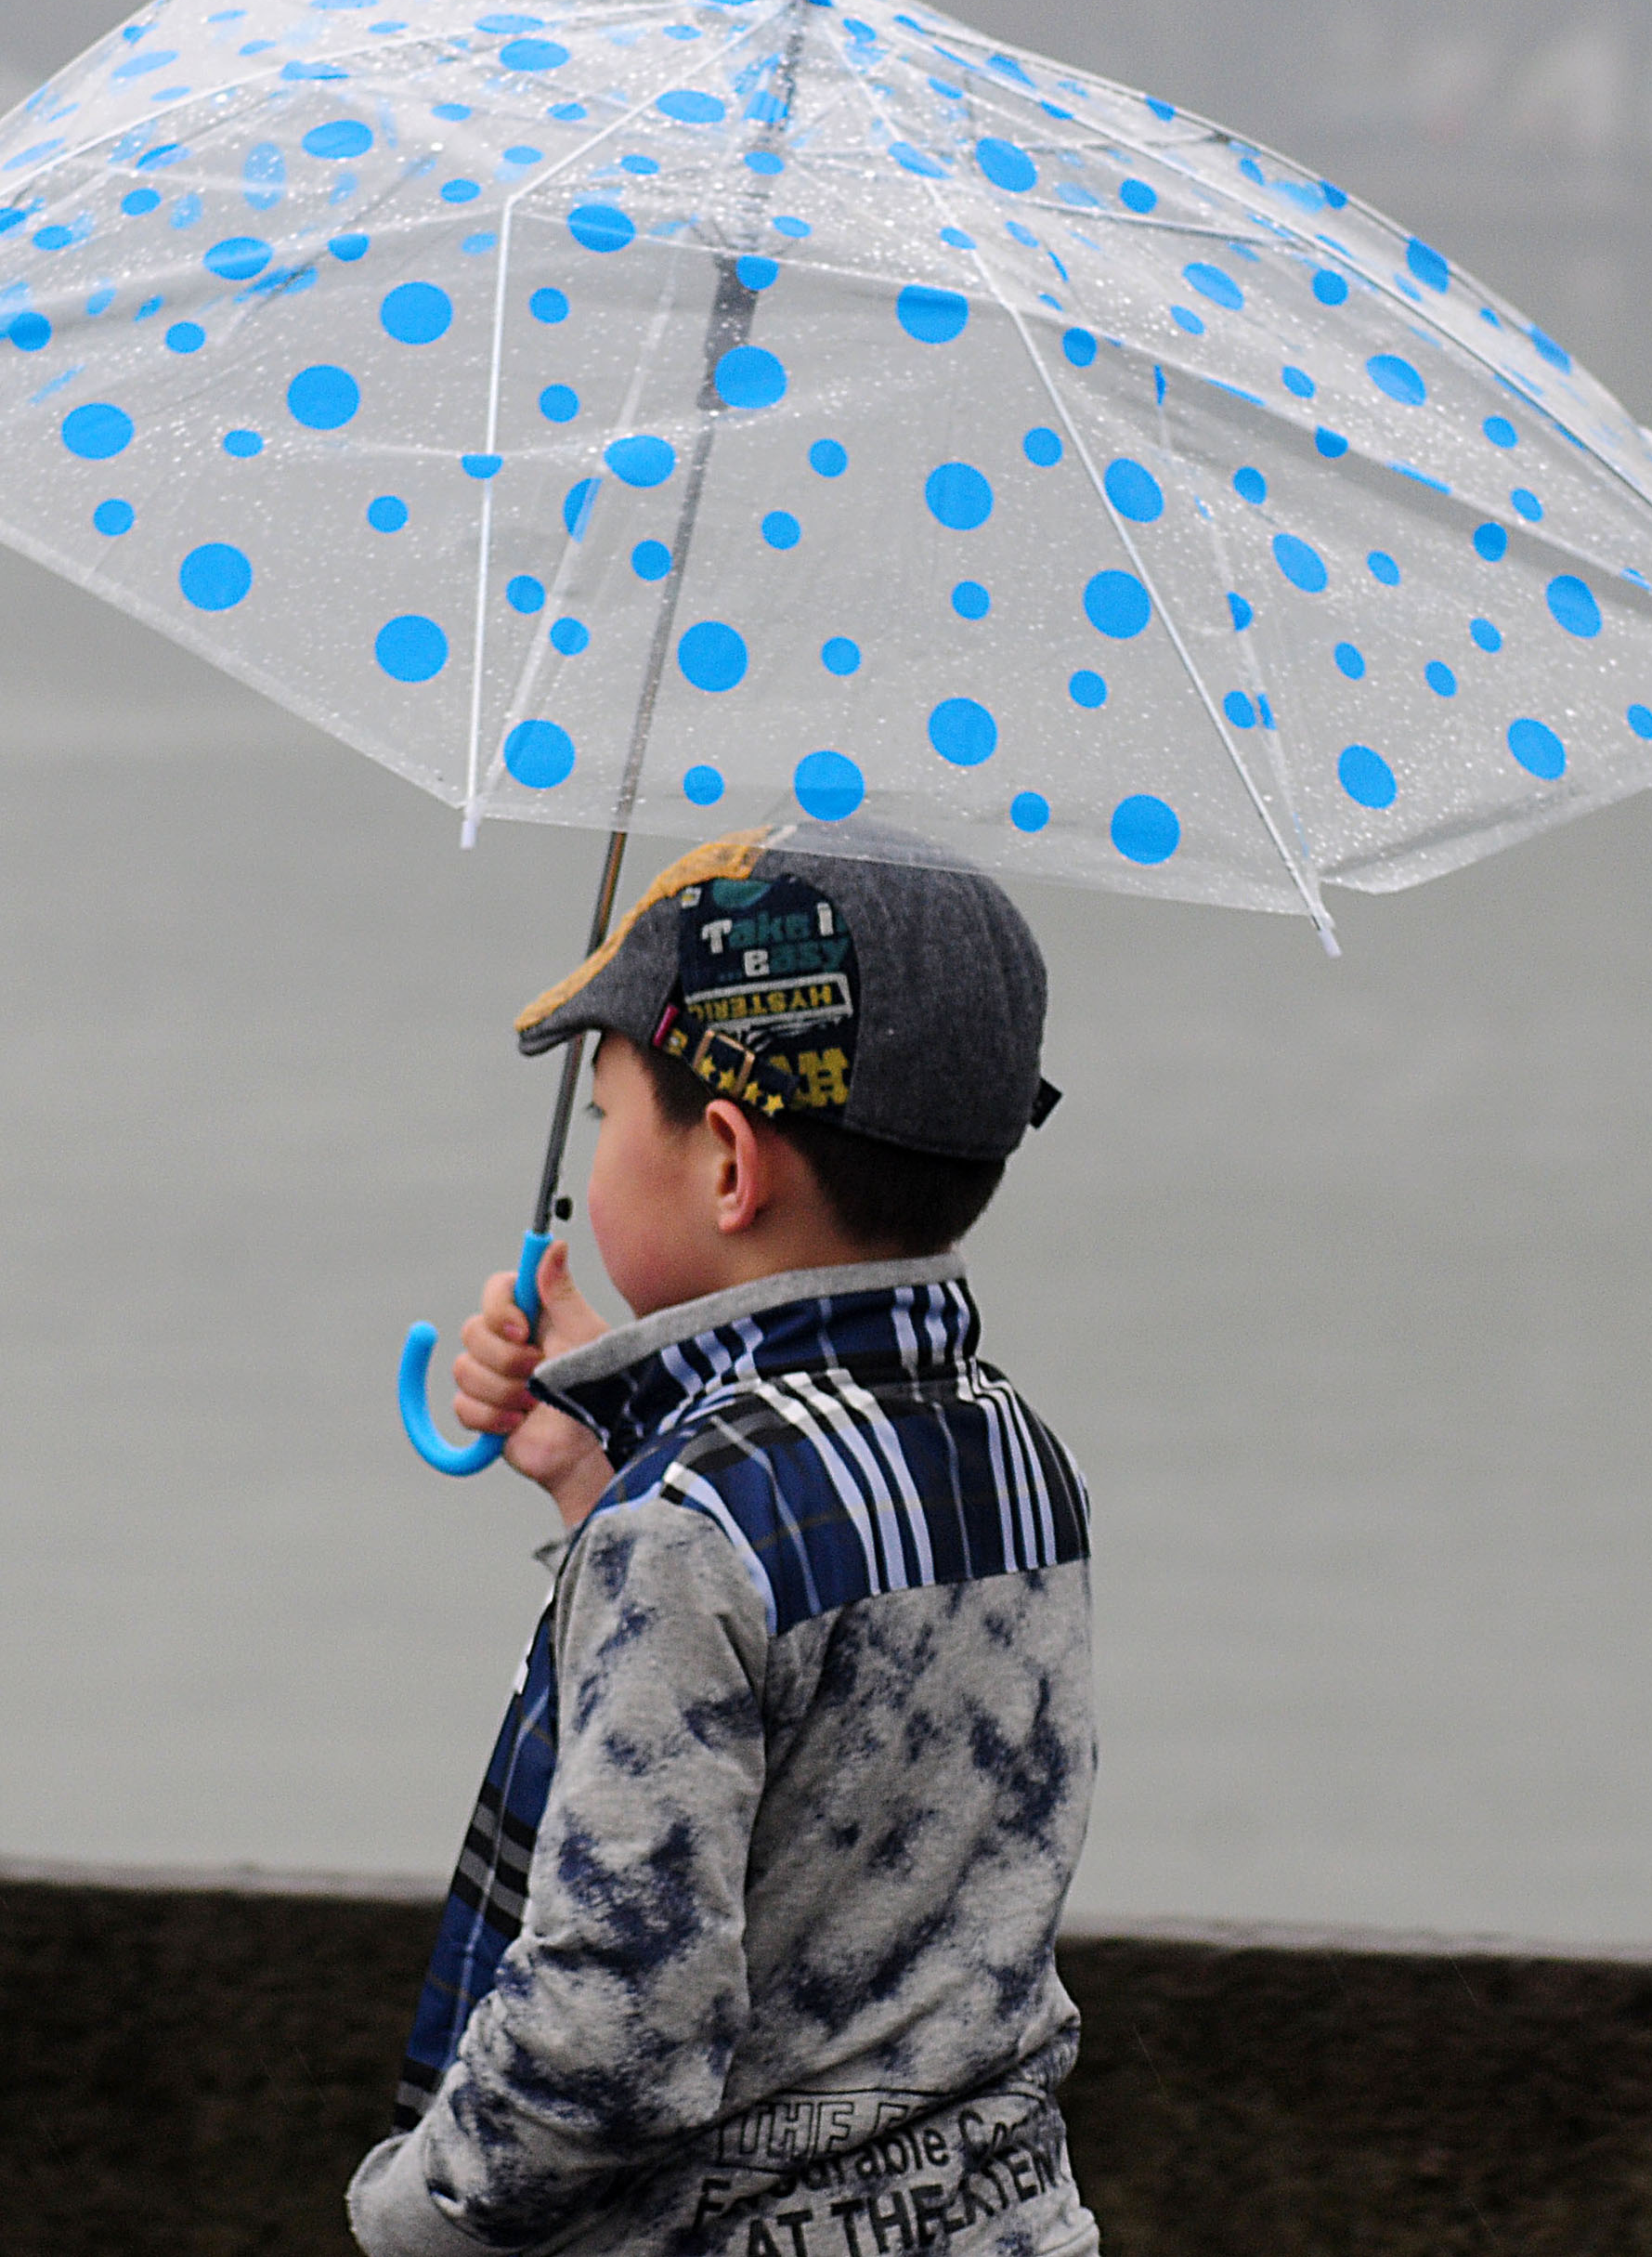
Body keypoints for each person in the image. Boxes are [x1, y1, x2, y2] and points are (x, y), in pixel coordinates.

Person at [348, 825, 1101, 2257]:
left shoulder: (687, 1529)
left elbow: (617, 2027)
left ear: (730, 1164)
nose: (594, 1159)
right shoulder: (1016, 1455)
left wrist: (414, 2210)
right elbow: (834, 1771)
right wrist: (591, 1475)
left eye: (609, 1119)